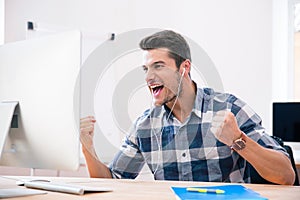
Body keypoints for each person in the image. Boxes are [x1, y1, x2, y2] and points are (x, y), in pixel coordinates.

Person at [80, 30, 295, 185]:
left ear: (184, 68)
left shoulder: (229, 108)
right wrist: (88, 148)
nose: (148, 77)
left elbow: (286, 176)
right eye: (145, 69)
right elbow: (112, 183)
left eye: (158, 66)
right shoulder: (145, 126)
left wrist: (238, 140)